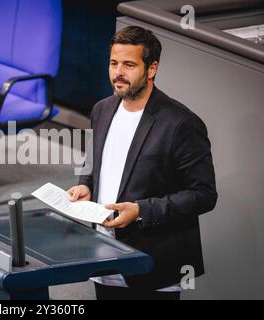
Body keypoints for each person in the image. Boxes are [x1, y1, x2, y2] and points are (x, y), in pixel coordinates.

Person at [67, 26, 217, 300]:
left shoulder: (181, 124)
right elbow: (95, 159)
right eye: (113, 63)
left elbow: (204, 195)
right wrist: (85, 184)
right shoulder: (102, 109)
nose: (118, 72)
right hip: (103, 255)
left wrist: (139, 211)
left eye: (129, 64)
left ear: (151, 69)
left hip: (152, 264)